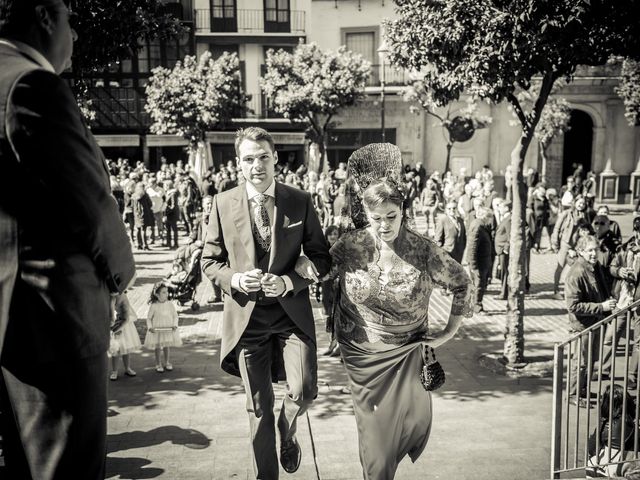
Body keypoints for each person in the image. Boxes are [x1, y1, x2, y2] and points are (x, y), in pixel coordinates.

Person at [0, 1, 136, 477]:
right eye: (71, 21)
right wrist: (121, 278)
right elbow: (91, 203)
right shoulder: (30, 85)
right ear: (45, 15)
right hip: (54, 323)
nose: (75, 35)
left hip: (14, 324)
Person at [201, 127, 331, 478]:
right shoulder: (221, 203)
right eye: (248, 159)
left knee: (304, 391)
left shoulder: (299, 199)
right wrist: (237, 279)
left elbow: (322, 257)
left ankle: (287, 432)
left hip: (291, 315)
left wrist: (291, 279)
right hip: (247, 320)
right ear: (238, 164)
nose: (256, 165)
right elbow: (210, 262)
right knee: (258, 409)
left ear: (274, 158)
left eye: (262, 157)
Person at [326, 169, 472, 479]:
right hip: (359, 355)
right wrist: (302, 264)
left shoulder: (423, 249)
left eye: (391, 216)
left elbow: (461, 282)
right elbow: (321, 272)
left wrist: (448, 332)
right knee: (374, 435)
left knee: (395, 430)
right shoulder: (349, 245)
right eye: (376, 218)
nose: (384, 225)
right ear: (365, 213)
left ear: (402, 210)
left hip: (406, 355)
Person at [564, 235, 616, 406]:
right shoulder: (577, 272)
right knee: (580, 362)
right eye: (590, 250)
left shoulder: (595, 267)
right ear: (581, 251)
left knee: (591, 360)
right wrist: (601, 307)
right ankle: (573, 394)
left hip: (595, 322)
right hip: (582, 326)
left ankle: (583, 389)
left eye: (596, 250)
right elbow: (573, 306)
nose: (594, 254)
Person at [551, 195, 593, 299]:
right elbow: (557, 228)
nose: (581, 205)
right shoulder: (566, 213)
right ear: (574, 202)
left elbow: (588, 230)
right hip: (565, 244)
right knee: (560, 267)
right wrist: (555, 243)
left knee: (576, 269)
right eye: (579, 202)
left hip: (576, 246)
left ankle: (573, 291)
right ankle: (556, 290)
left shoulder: (584, 216)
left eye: (583, 204)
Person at [144, 282, 182, 373]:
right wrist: (150, 327)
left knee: (166, 345)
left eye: (167, 292)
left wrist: (175, 325)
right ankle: (158, 363)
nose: (167, 294)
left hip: (168, 329)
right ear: (157, 294)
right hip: (157, 329)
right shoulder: (154, 305)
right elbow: (149, 318)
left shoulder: (170, 304)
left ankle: (167, 362)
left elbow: (175, 316)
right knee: (157, 346)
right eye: (164, 292)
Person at [467, 206, 494, 313]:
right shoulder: (478, 226)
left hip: (482, 261)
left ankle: (475, 304)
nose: (491, 219)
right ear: (485, 216)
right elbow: (472, 247)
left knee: (479, 284)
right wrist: (473, 266)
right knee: (478, 285)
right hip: (479, 262)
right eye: (490, 217)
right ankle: (477, 306)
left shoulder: (481, 225)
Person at [108, 292, 141, 381]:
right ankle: (114, 371)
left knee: (126, 349)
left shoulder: (125, 304)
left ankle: (127, 368)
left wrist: (122, 324)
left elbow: (133, 316)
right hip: (116, 328)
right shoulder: (111, 302)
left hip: (126, 330)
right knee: (116, 350)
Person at [494, 200, 512, 301]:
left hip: (503, 249)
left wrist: (506, 248)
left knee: (504, 271)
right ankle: (503, 290)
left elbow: (510, 235)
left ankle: (504, 293)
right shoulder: (505, 218)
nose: (499, 209)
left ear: (506, 208)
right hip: (500, 249)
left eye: (501, 207)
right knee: (502, 271)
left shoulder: (508, 219)